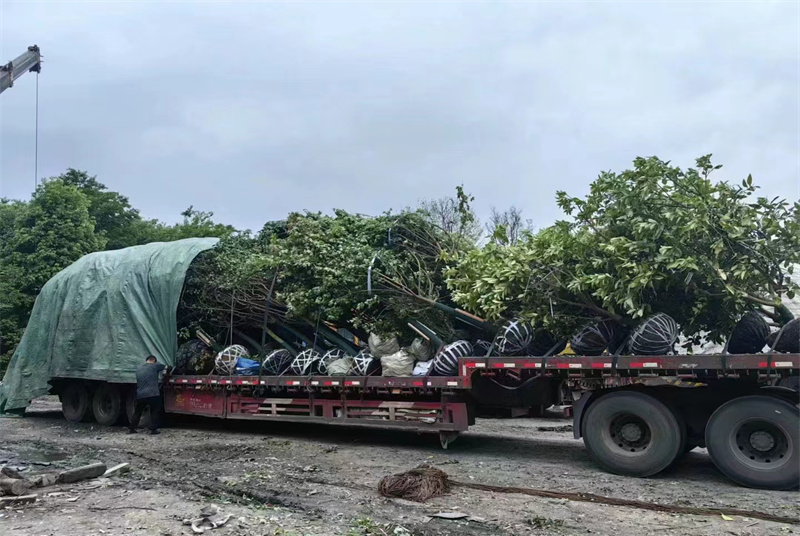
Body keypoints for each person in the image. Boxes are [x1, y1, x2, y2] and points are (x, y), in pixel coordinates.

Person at [129, 355, 167, 435]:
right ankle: (153, 429)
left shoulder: (139, 368)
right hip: (153, 394)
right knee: (155, 411)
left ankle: (132, 428)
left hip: (140, 394)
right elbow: (167, 367)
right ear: (154, 360)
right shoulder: (155, 366)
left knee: (137, 412)